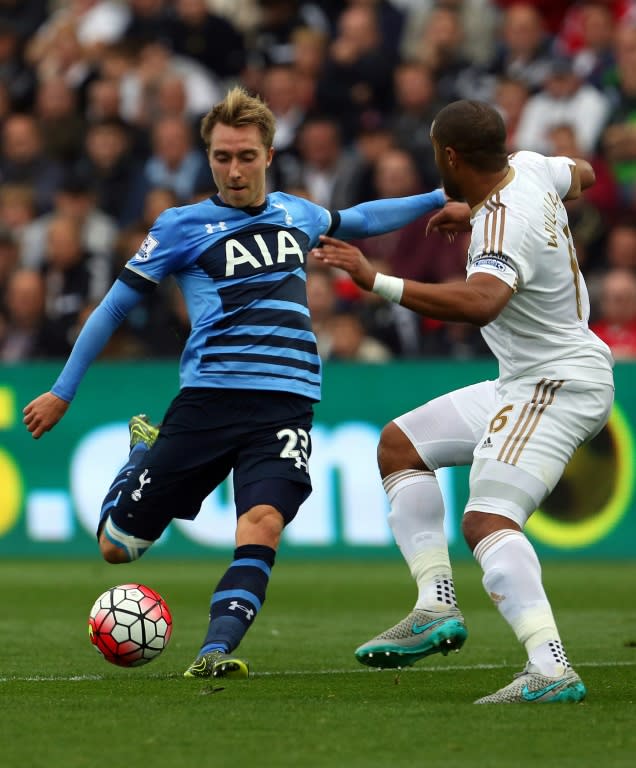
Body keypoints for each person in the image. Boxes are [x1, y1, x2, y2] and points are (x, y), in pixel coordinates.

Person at [23, 86, 447, 680]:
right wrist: (63, 390)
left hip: (287, 403)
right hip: (209, 400)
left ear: (268, 155)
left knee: (262, 522)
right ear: (209, 159)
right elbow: (113, 309)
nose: (234, 169)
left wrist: (439, 197)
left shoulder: (298, 213)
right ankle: (143, 450)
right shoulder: (180, 225)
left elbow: (363, 219)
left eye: (246, 155)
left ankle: (215, 650)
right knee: (118, 548)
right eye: (222, 157)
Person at [311, 99, 614, 703]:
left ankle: (550, 667)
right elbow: (582, 173)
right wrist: (472, 209)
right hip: (525, 375)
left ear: (449, 155)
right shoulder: (527, 167)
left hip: (556, 382)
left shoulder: (502, 223)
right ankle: (434, 606)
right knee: (401, 445)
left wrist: (376, 282)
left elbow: (480, 303)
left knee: (487, 520)